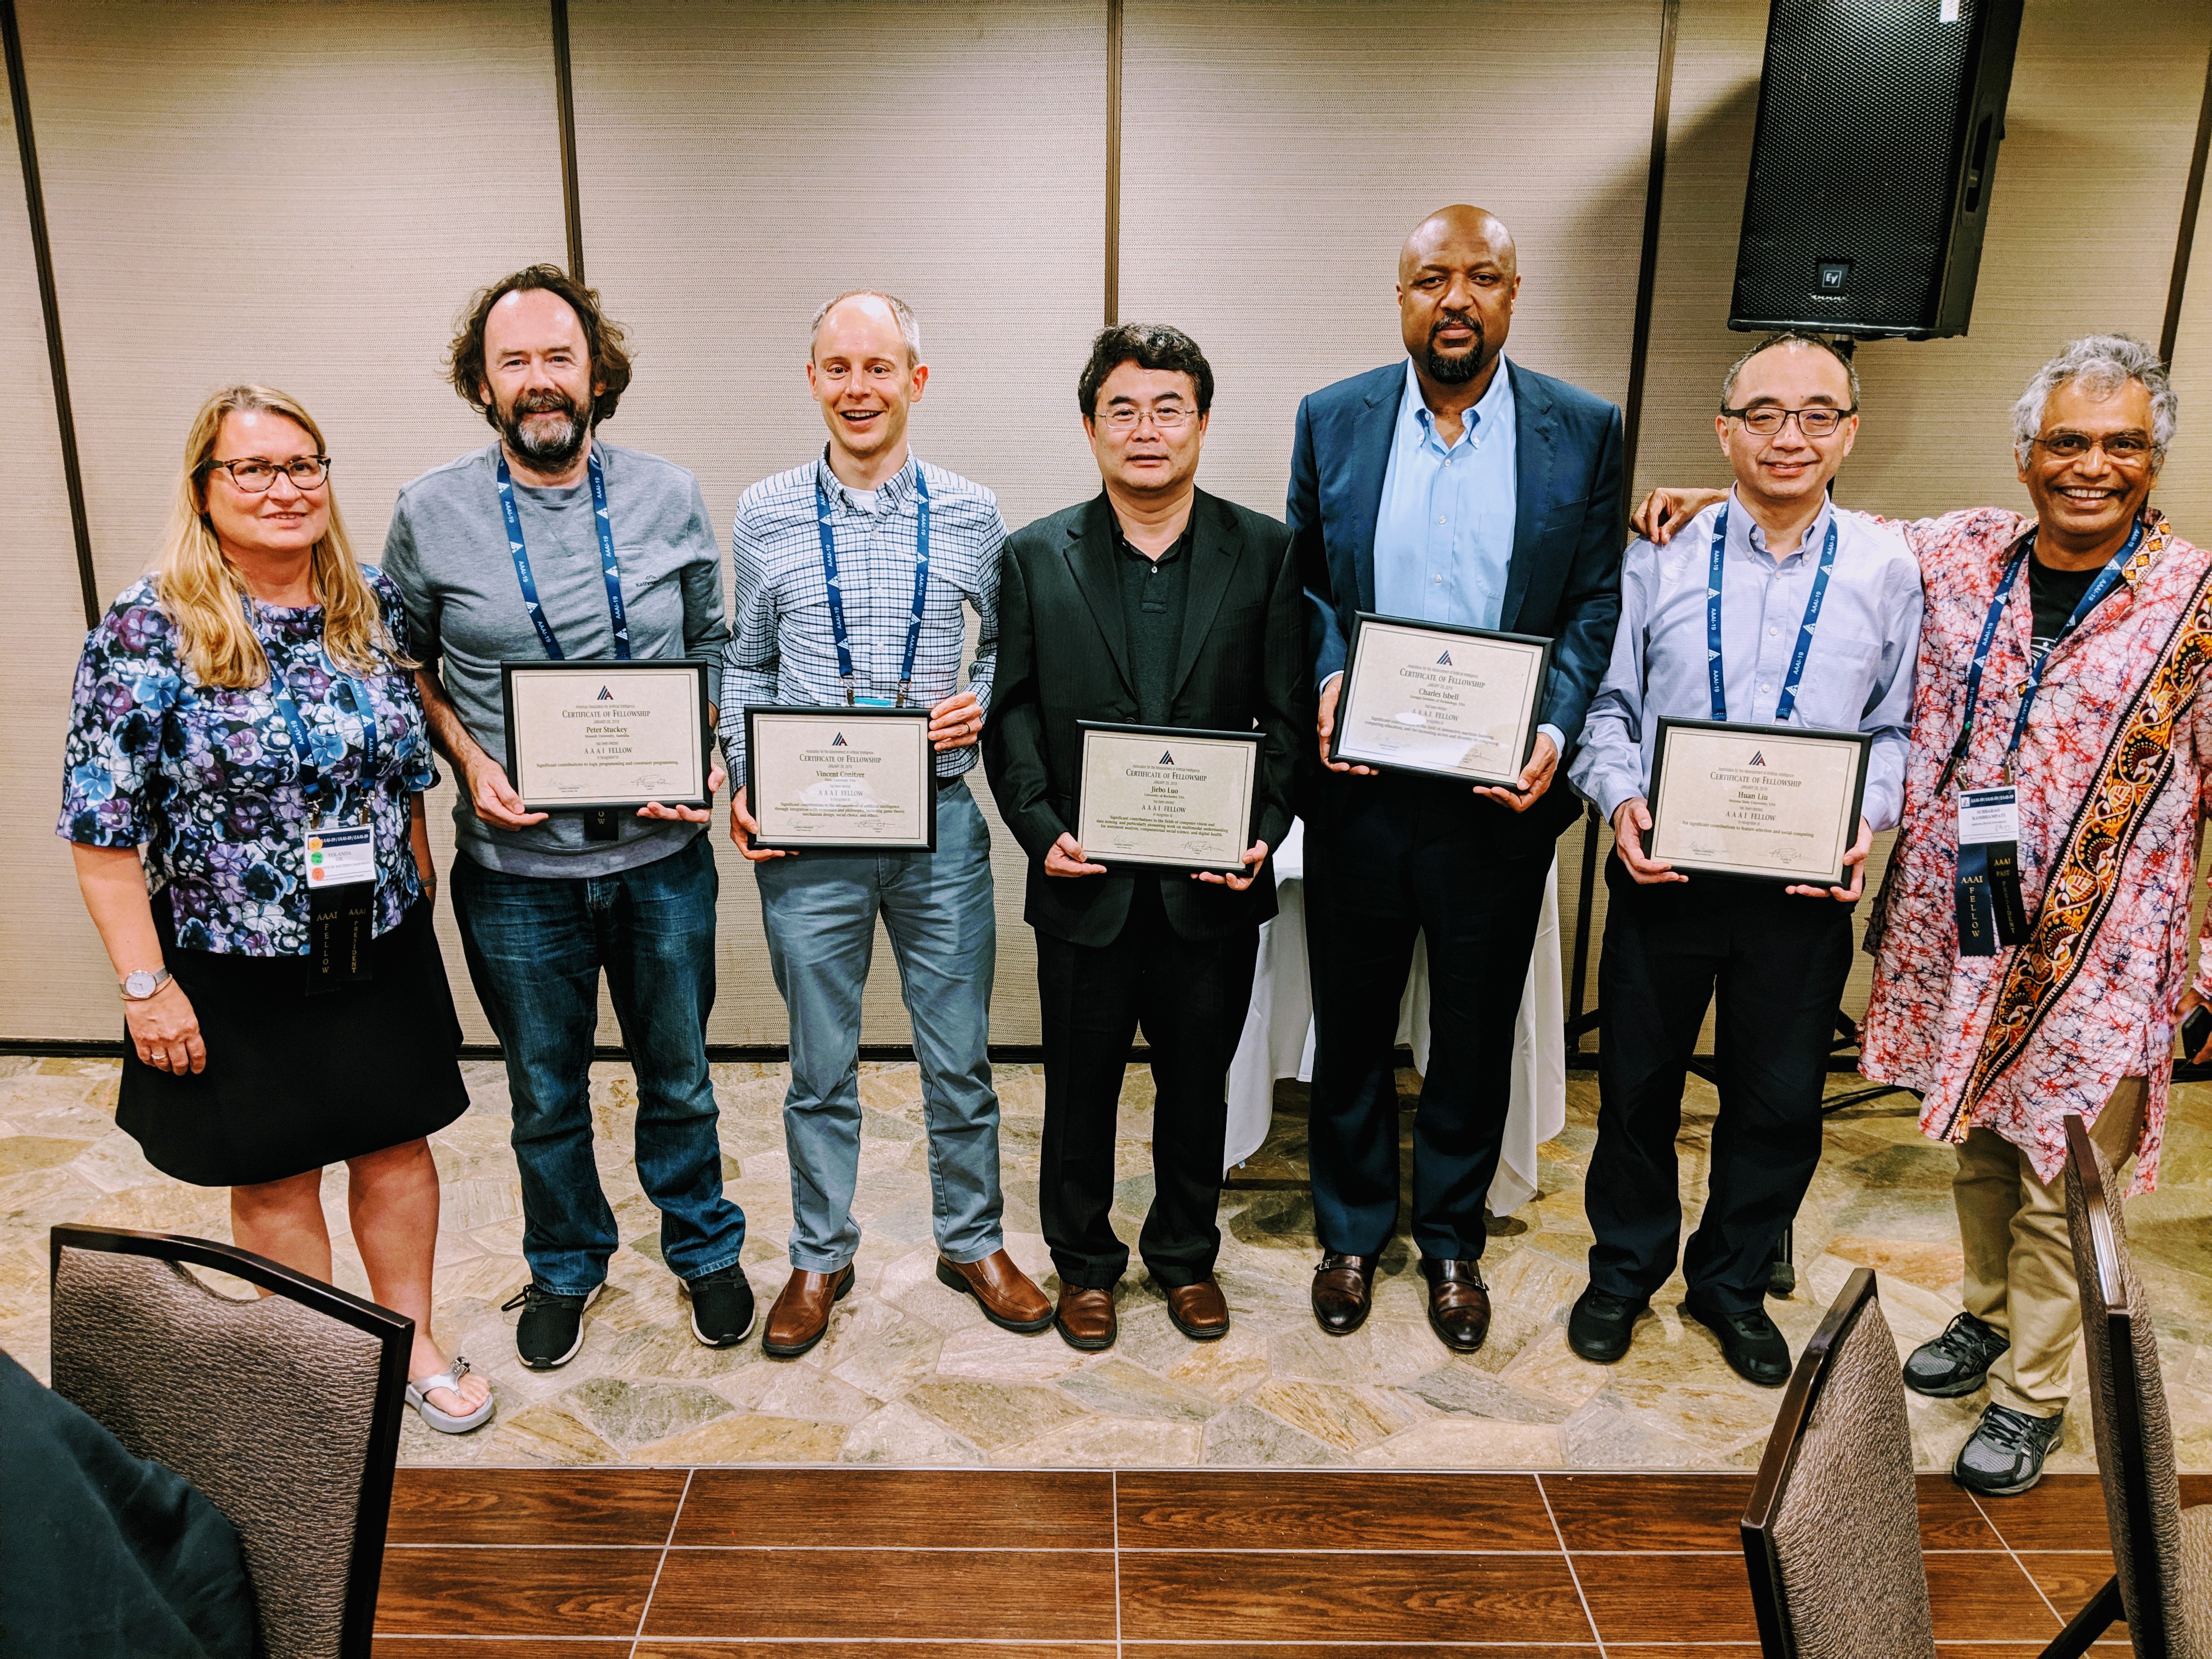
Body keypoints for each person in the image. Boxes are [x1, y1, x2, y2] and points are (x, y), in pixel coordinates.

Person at [1635, 333, 2210, 1493]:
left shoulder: (2201, 605)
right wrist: (1718, 492)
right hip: (1972, 932)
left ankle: (2035, 1393)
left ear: (2156, 461)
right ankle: (1989, 1316)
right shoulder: (1962, 552)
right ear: (2024, 454)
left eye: (2122, 446)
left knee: (2062, 1178)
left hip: (2105, 952)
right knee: (1985, 1152)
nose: (2090, 467)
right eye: (2067, 442)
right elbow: (1818, 531)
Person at [60, 385, 490, 1433]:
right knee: (277, 1170)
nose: (284, 489)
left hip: (377, 937)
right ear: (205, 490)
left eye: (303, 466)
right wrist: (145, 987)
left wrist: (421, 878)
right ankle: (325, 1367)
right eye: (251, 470)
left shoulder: (366, 599)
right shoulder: (149, 625)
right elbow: (100, 831)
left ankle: (412, 1342)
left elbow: (401, 766)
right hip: (230, 955)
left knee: (396, 1147)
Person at [383, 266, 752, 1370]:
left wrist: (714, 758)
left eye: (559, 358)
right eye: (515, 362)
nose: (540, 382)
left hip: (664, 862)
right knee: (545, 1094)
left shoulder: (670, 495)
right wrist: (466, 756)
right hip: (515, 872)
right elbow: (405, 662)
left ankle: (702, 1248)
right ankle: (566, 1265)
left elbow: (716, 650)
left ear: (596, 374)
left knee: (678, 1075)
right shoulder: (428, 511)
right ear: (481, 382)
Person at [1291, 205, 1625, 1351]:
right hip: (1362, 789)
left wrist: (1557, 726)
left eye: (1483, 278)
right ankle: (1348, 1229)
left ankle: (1449, 1241)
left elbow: (1593, 601)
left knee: (1474, 1031)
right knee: (1353, 1022)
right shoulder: (1332, 419)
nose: (1458, 300)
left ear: (1513, 296)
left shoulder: (1582, 430)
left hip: (1498, 796)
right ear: (1402, 296)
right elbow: (1307, 584)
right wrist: (1331, 673)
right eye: (1434, 278)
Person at [1565, 332, 1921, 1386]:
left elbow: (1899, 728)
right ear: (1724, 431)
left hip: (1804, 884)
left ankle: (1728, 1285)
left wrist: (1868, 817)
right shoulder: (1655, 553)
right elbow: (1611, 704)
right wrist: (1623, 801)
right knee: (1636, 1089)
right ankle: (1623, 1273)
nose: (1789, 436)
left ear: (1849, 435)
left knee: (1777, 1104)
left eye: (1818, 415)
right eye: (1763, 413)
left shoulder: (1889, 566)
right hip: (1664, 871)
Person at [722, 290, 1049, 1359]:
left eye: (879, 367)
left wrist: (980, 700)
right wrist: (742, 777)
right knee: (821, 1061)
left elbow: (1009, 644)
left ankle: (973, 1241)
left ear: (917, 379)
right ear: (812, 379)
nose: (858, 388)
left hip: (939, 826)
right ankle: (821, 1254)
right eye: (837, 368)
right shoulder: (766, 511)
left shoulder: (971, 510)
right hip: (810, 834)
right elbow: (746, 663)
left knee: (959, 1058)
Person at [983, 324, 1303, 1351]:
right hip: (1087, 879)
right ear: (1090, 427)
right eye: (1122, 409)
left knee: (1196, 1080)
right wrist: (1040, 830)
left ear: (1203, 422)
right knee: (1079, 1084)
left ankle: (1184, 1256)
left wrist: (1263, 833)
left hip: (1213, 881)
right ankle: (1083, 1263)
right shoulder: (1036, 555)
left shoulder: (1267, 552)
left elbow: (1291, 714)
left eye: (1170, 407)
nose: (1147, 429)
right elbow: (1013, 711)